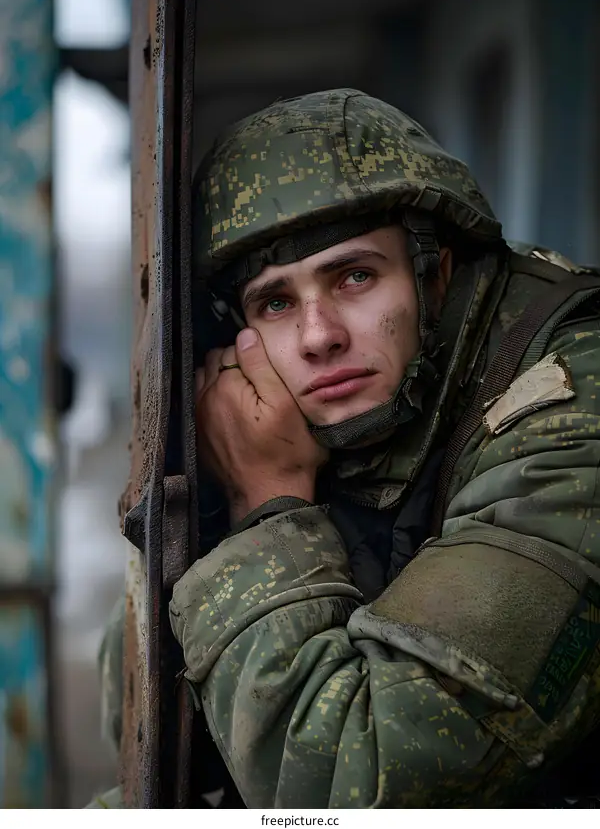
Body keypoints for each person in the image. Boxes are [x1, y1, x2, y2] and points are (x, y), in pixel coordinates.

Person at [90, 88, 600, 808]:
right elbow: (137, 723)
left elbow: (348, 794)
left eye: (354, 276)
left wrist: (267, 501)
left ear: (435, 273)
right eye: (275, 302)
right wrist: (206, 497)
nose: (319, 335)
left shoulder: (567, 410)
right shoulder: (324, 416)